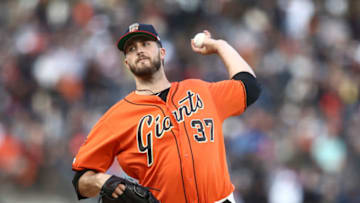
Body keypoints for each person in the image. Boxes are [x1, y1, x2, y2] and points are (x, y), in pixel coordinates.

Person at [72, 23, 261, 203]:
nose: (138, 50)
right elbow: (81, 180)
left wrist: (220, 46)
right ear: (127, 63)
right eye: (131, 49)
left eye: (146, 44)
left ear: (162, 53)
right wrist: (100, 181)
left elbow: (249, 87)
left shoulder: (200, 91)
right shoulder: (116, 118)